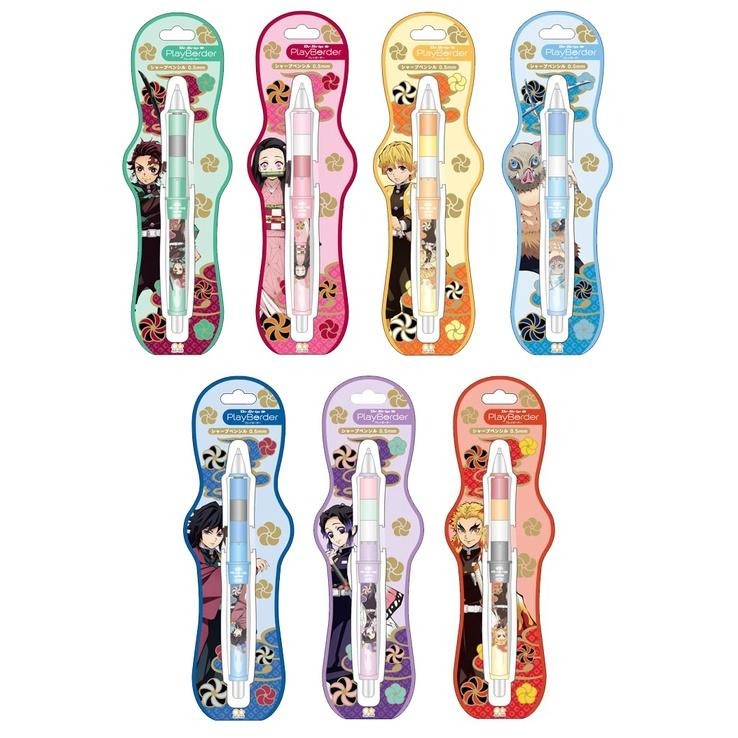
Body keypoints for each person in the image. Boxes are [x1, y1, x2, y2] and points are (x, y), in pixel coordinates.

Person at [377, 141, 415, 318]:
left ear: (412, 168)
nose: (395, 174)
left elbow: (420, 217)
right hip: (391, 242)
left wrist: (401, 224)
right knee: (391, 274)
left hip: (409, 243)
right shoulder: (386, 191)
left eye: (401, 168)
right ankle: (391, 310)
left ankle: (409, 309)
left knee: (408, 275)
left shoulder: (415, 190)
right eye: (390, 169)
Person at [319, 504, 355, 682]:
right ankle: (333, 670)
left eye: (340, 530)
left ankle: (344, 671)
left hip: (349, 603)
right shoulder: (332, 555)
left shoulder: (354, 555)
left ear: (352, 529)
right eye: (331, 534)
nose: (336, 537)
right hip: (335, 603)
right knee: (334, 634)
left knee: (346, 635)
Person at [127, 140, 162, 299]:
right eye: (140, 169)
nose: (145, 174)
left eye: (152, 169)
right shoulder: (132, 191)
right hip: (139, 243)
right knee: (137, 283)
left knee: (160, 284)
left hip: (160, 244)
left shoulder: (164, 191)